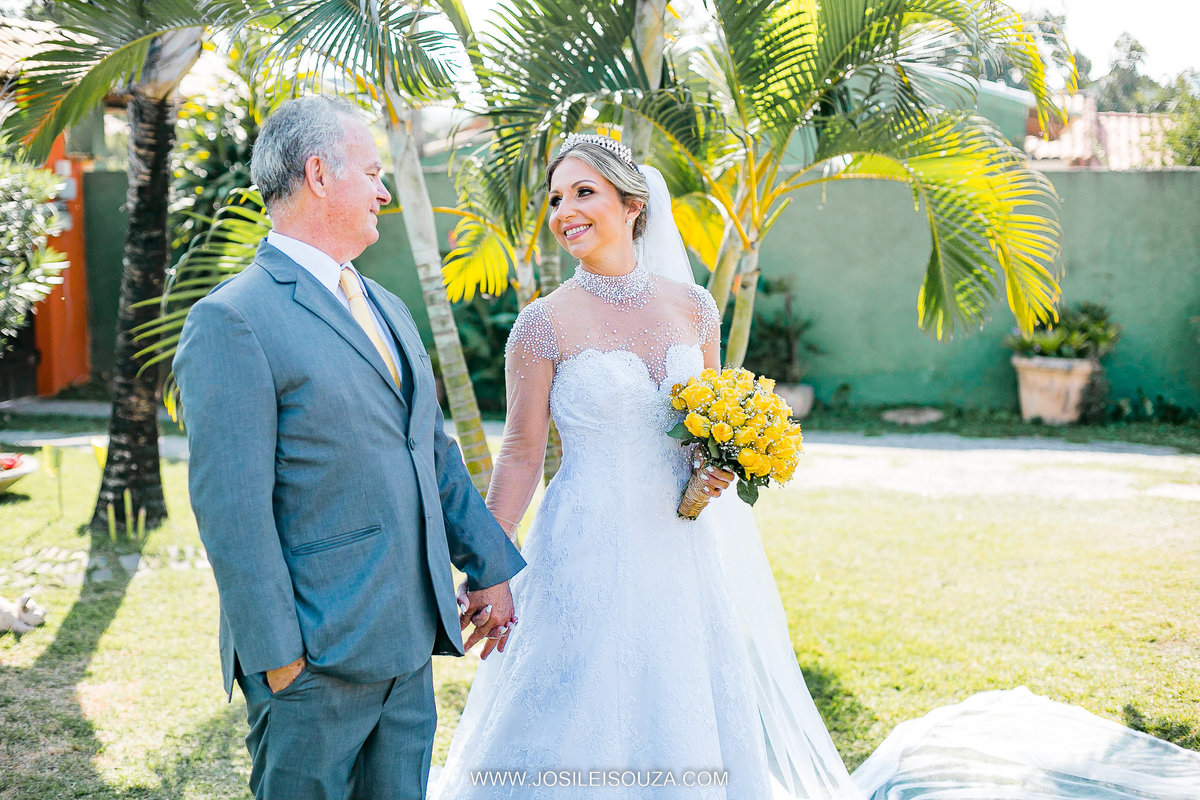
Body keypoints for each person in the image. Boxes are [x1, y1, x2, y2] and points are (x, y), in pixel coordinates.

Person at [430, 133, 1200, 799]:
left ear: (634, 204)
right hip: (582, 548)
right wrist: (493, 566)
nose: (565, 211)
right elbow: (524, 452)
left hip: (680, 549)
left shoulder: (693, 307)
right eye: (556, 197)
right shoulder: (542, 325)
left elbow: (703, 422)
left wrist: (716, 465)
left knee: (680, 700)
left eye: (585, 191)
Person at [173, 94, 525, 800]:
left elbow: (432, 453)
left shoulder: (387, 306)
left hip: (407, 649)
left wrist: (489, 566)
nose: (384, 190)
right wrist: (281, 663)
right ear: (319, 174)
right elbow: (232, 514)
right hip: (313, 660)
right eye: (371, 172)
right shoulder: (232, 320)